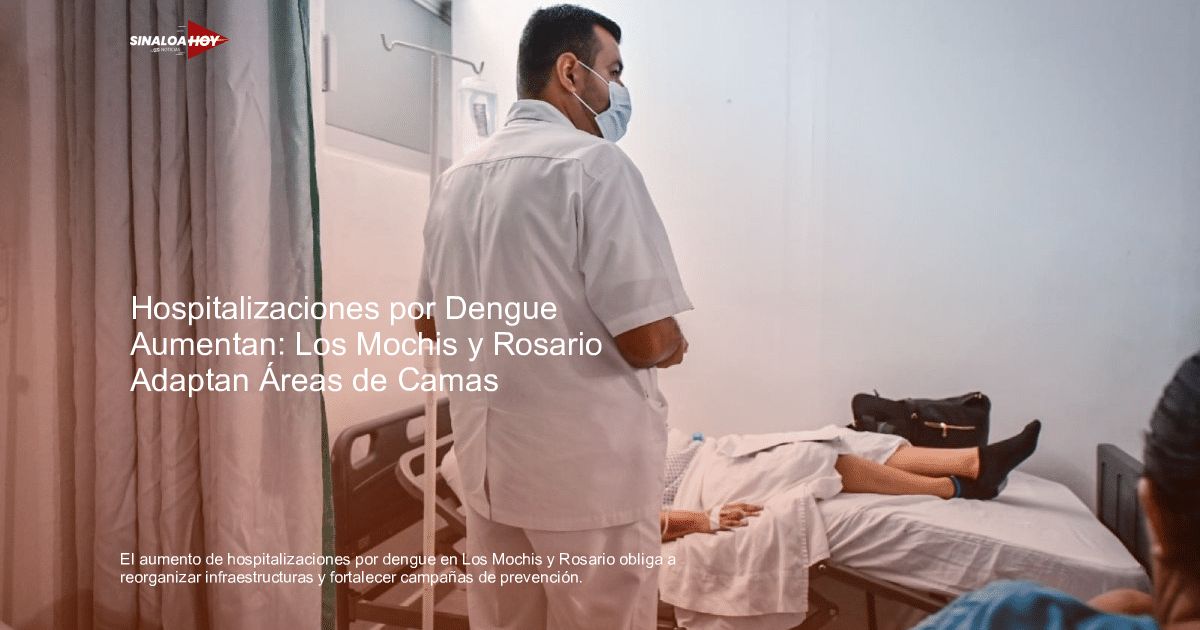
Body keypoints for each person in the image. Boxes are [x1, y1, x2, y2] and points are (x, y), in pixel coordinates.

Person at [414, 5, 690, 630]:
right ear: (570, 71)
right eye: (613, 71)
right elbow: (648, 340)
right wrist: (674, 343)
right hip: (586, 486)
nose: (619, 90)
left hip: (491, 474)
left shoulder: (455, 181)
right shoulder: (596, 167)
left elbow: (431, 323)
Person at [906, 351, 1200, 630]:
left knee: (866, 453)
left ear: (1155, 513)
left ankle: (967, 472)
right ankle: (965, 475)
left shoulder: (1004, 618)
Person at [658, 420, 1042, 541]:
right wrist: (701, 521)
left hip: (714, 451)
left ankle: (976, 462)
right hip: (699, 489)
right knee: (813, 460)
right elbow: (622, 524)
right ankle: (954, 486)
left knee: (842, 437)